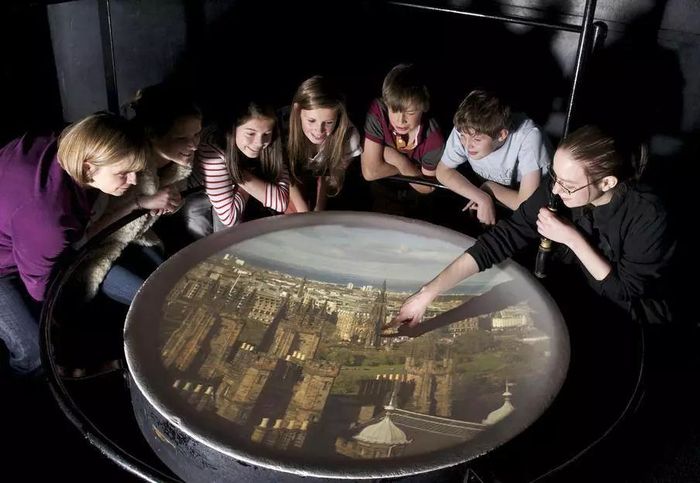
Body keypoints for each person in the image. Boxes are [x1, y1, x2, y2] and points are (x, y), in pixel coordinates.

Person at [391, 125, 675, 328]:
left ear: (607, 183)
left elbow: (624, 290)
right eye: (555, 176)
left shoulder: (648, 216)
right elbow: (503, 238)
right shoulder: (558, 187)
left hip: (637, 318)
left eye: (568, 185)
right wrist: (428, 293)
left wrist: (572, 238)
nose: (556, 190)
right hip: (583, 296)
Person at [0, 113, 149, 376]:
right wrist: (54, 317)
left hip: (19, 230)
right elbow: (38, 286)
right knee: (34, 349)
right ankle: (37, 383)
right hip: (5, 265)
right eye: (123, 173)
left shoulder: (69, 141)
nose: (134, 181)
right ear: (89, 168)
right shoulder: (49, 219)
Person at [70, 83, 202, 300]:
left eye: (197, 134)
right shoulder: (116, 169)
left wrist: (170, 204)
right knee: (155, 298)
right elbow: (86, 237)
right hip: (96, 253)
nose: (194, 145)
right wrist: (141, 203)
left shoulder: (179, 165)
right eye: (181, 138)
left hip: (137, 241)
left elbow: (156, 210)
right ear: (153, 135)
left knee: (178, 284)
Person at [436, 90, 551, 225]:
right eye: (462, 136)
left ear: (502, 135)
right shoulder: (467, 128)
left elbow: (527, 205)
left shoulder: (528, 137)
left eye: (477, 140)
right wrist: (482, 197)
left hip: (535, 203)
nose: (467, 145)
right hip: (490, 193)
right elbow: (442, 171)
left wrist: (489, 188)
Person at [194, 100, 289, 230]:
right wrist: (245, 181)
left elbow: (281, 202)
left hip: (236, 188)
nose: (259, 142)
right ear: (233, 129)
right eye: (250, 133)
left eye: (266, 134)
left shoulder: (272, 143)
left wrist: (239, 174)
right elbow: (229, 218)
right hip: (198, 194)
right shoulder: (213, 148)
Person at [360, 63, 444, 196]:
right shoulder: (378, 111)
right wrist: (411, 169)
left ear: (424, 107)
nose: (400, 120)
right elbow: (370, 172)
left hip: (415, 197)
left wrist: (399, 161)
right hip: (381, 188)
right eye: (394, 111)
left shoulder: (433, 138)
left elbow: (427, 188)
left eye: (410, 113)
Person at [284, 76, 362, 212]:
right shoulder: (281, 126)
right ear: (297, 111)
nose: (319, 130)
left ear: (338, 117)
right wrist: (302, 208)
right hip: (289, 183)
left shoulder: (349, 137)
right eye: (311, 121)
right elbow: (283, 172)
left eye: (328, 122)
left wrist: (319, 210)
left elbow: (331, 176)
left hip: (328, 187)